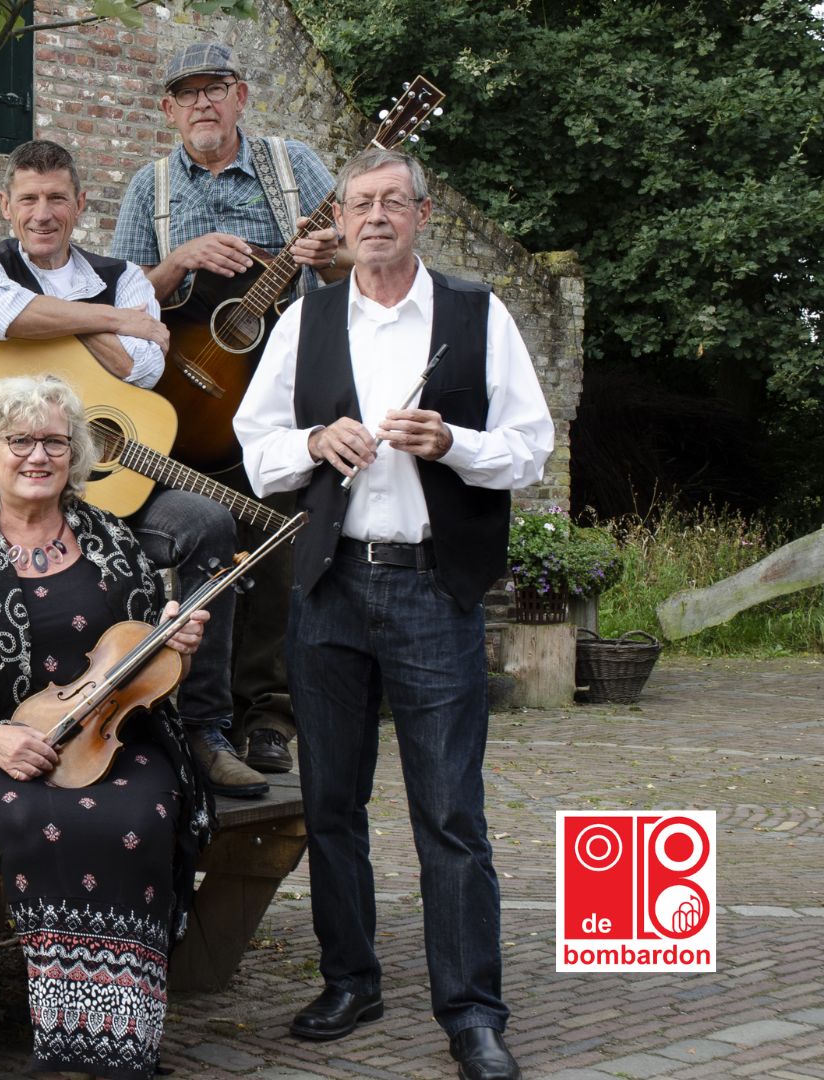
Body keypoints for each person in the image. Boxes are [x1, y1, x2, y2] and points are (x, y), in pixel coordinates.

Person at [232, 147, 553, 1080]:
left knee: (450, 813)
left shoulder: (476, 314)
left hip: (432, 587)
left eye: (391, 202)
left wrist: (454, 441)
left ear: (420, 213)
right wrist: (311, 439)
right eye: (359, 204)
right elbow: (256, 449)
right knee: (331, 803)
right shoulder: (307, 315)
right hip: (328, 584)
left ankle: (472, 1012)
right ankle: (351, 978)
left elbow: (529, 451)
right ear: (342, 219)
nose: (375, 217)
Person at [0, 373, 216, 1080]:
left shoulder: (114, 540)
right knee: (41, 820)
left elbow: (146, 676)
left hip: (116, 742)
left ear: (76, 454)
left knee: (137, 815)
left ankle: (122, 1042)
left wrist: (174, 644)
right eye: (19, 441)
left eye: (54, 441)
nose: (37, 455)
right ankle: (69, 1035)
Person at [0, 138, 265, 800]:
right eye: (28, 199)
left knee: (209, 523)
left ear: (80, 204)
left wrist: (52, 326)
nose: (43, 213)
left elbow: (144, 365)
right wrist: (109, 320)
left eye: (57, 198)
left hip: (108, 489)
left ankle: (206, 728)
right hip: (10, 490)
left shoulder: (122, 273)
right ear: (6, 205)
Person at [109, 40, 349, 779]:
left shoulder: (291, 166)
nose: (202, 103)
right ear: (168, 110)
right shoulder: (148, 189)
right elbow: (118, 299)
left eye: (216, 89)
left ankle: (268, 716)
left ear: (242, 97)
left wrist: (328, 256)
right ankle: (165, 706)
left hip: (280, 395)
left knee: (275, 551)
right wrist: (176, 262)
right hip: (183, 404)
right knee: (194, 548)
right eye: (187, 94)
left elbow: (345, 256)